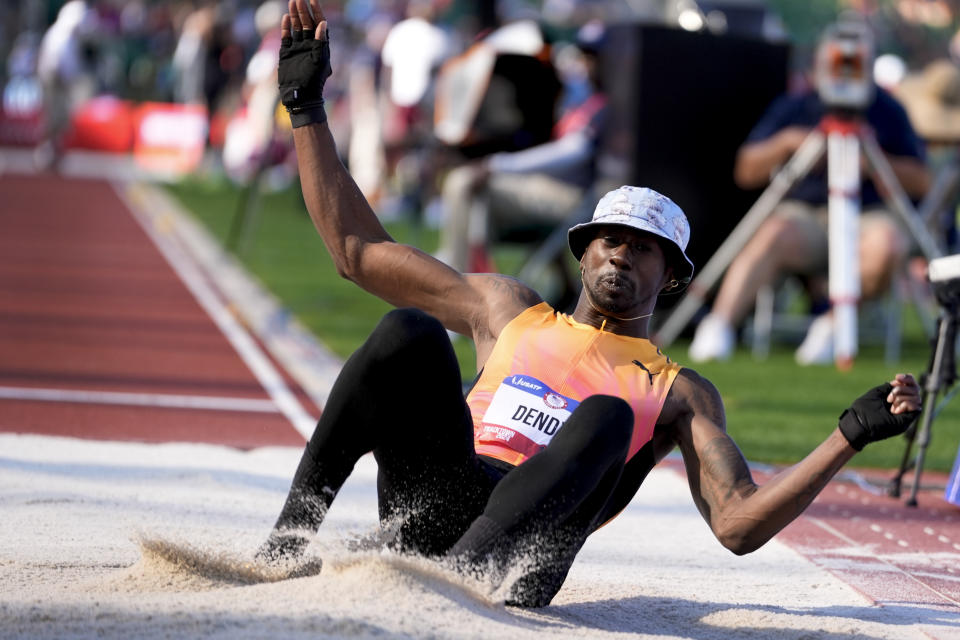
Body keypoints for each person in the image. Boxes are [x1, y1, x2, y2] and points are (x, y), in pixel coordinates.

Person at [260, 0, 922, 608]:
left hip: (523, 558)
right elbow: (355, 252)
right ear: (583, 252)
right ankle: (287, 542)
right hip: (437, 506)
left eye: (643, 249)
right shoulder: (506, 309)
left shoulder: (678, 392)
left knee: (606, 415)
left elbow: (737, 525)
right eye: (610, 241)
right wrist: (305, 106)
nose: (621, 256)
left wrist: (847, 436)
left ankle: (447, 587)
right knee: (407, 330)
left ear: (670, 277)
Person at [688, 24, 932, 365]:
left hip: (870, 217)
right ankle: (720, 326)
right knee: (771, 233)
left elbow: (922, 181)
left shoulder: (888, 111)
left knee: (887, 245)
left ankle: (833, 327)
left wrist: (872, 162)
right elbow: (745, 170)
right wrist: (788, 142)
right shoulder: (796, 107)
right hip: (807, 217)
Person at [435, 19, 607, 306]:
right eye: (586, 55)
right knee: (474, 201)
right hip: (551, 192)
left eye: (595, 57)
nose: (587, 63)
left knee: (463, 182)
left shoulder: (604, 103)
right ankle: (472, 284)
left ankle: (455, 284)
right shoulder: (579, 95)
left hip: (574, 198)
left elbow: (573, 152)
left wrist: (497, 165)